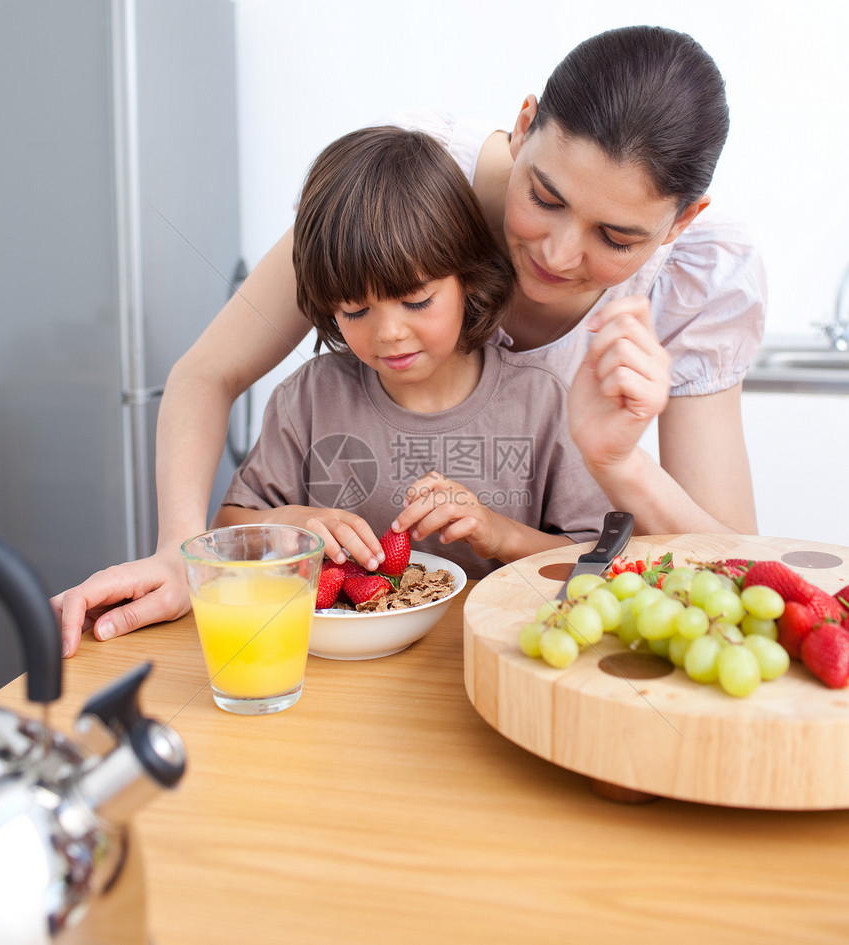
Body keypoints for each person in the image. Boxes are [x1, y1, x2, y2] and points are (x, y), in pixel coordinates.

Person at [52, 24, 764, 655]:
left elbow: (728, 568)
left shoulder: (701, 274)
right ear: (523, 125)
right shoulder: (401, 189)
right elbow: (205, 374)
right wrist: (184, 553)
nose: (558, 253)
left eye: (616, 237)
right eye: (544, 197)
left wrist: (618, 463)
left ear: (681, 221)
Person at [209, 125, 622, 581]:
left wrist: (500, 534)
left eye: (417, 301)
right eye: (356, 309)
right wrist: (292, 524)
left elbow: (599, 561)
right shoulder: (310, 398)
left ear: (468, 276)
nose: (388, 333)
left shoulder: (542, 401)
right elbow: (227, 527)